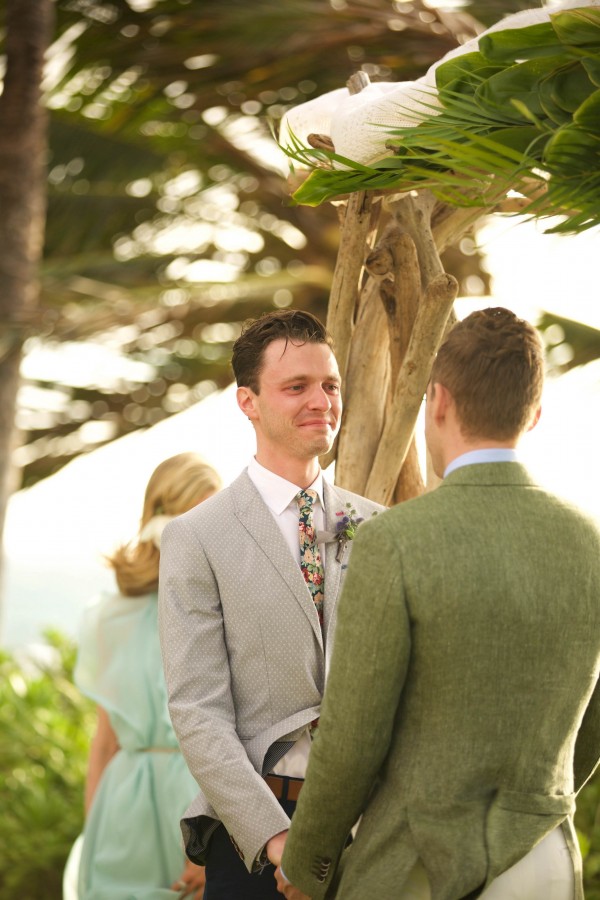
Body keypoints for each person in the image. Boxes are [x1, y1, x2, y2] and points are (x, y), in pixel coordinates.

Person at [275, 307, 600, 900]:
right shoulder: (592, 543)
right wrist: (538, 806)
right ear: (534, 413)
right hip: (544, 861)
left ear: (440, 401)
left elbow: (353, 735)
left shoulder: (394, 541)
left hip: (418, 866)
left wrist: (308, 861)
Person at [158, 309, 384, 900]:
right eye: (297, 387)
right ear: (248, 401)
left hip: (373, 841)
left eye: (330, 385)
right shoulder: (197, 537)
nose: (322, 401)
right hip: (255, 845)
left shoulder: (380, 529)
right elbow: (197, 711)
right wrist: (282, 845)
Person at [67, 453, 221, 900]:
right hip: (123, 815)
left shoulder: (225, 610)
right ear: (162, 518)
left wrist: (220, 844)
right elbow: (105, 741)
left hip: (198, 810)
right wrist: (92, 833)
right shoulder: (111, 616)